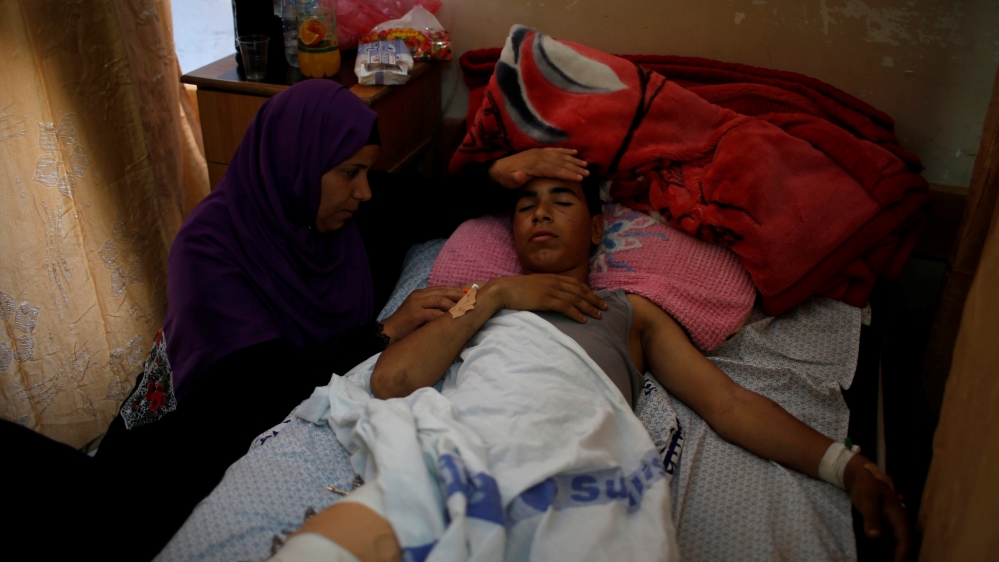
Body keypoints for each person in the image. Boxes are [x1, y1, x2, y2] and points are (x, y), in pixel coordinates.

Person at [2, 80, 589, 561]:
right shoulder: (208, 247)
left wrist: (506, 174)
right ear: (296, 165)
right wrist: (383, 332)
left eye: (368, 172)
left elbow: (433, 203)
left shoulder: (351, 215)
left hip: (250, 416)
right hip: (182, 440)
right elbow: (251, 389)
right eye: (348, 174)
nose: (364, 192)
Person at [272, 174, 910, 562]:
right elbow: (392, 381)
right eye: (526, 206)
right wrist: (495, 297)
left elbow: (729, 404)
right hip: (469, 438)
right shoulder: (479, 296)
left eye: (561, 201)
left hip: (573, 452)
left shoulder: (630, 312)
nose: (541, 213)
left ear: (598, 228)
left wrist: (844, 464)